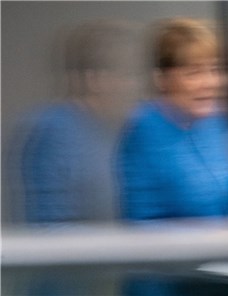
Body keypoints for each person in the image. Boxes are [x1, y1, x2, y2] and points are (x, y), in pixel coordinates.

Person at [118, 17, 228, 221]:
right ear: (161, 79)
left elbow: (225, 189)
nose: (209, 82)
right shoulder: (145, 129)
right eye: (194, 73)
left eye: (214, 70)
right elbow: (196, 198)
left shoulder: (211, 121)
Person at [19, 20, 142, 224]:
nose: (135, 86)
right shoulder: (53, 132)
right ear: (95, 79)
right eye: (127, 75)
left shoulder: (125, 127)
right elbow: (50, 224)